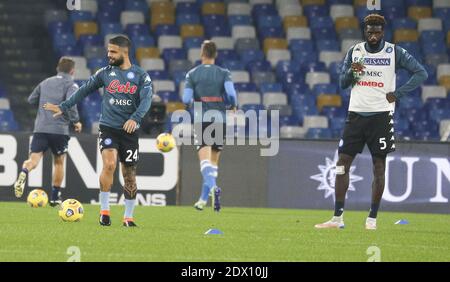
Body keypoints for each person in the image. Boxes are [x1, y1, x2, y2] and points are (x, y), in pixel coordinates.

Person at [315, 14, 428, 230]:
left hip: (381, 116)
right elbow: (342, 82)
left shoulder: (394, 52)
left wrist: (398, 93)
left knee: (378, 167)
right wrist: (352, 71)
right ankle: (337, 219)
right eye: (370, 31)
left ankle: (372, 220)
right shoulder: (355, 51)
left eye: (377, 32)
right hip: (356, 115)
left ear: (383, 31)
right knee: (341, 166)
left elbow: (421, 73)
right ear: (364, 31)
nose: (373, 36)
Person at [44, 35, 153, 227]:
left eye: (113, 52)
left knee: (129, 175)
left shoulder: (141, 76)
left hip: (129, 132)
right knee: (109, 165)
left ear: (124, 52)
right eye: (108, 51)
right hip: (108, 127)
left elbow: (146, 100)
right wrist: (64, 106)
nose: (108, 55)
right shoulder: (105, 73)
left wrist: (135, 118)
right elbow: (84, 90)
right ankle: (104, 212)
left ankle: (128, 217)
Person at [14, 57, 82, 206]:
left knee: (33, 160)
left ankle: (24, 171)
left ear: (58, 68)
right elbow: (71, 104)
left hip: (41, 128)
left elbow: (31, 100)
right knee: (58, 162)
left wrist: (44, 106)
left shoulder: (45, 82)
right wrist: (76, 121)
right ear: (72, 71)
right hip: (59, 130)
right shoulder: (71, 84)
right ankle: (54, 197)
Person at [182, 40, 238, 212]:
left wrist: (189, 104)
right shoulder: (224, 73)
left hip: (202, 118)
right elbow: (230, 93)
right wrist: (234, 105)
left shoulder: (192, 74)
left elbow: (185, 99)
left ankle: (213, 188)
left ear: (202, 54)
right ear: (216, 55)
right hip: (220, 119)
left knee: (204, 161)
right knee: (213, 163)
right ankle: (203, 200)